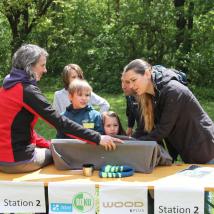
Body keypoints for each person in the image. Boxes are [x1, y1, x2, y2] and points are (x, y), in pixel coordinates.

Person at [0, 44, 122, 174]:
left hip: (4, 160)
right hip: (17, 161)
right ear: (30, 66)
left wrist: (47, 143)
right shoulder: (26, 90)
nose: (45, 70)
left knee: (51, 148)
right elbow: (59, 122)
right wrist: (98, 138)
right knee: (60, 154)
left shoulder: (6, 87)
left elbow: (18, 128)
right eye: (42, 65)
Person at [123, 58, 214, 213]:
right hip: (187, 148)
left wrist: (133, 144)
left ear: (147, 73)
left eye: (133, 80)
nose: (131, 86)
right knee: (196, 197)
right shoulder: (150, 95)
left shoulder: (173, 89)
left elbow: (162, 131)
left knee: (201, 195)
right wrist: (126, 142)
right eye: (128, 82)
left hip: (204, 146)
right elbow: (144, 129)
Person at [121, 73, 147, 138]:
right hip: (140, 130)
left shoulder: (147, 96)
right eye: (122, 81)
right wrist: (130, 127)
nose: (123, 86)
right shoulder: (129, 95)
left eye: (127, 82)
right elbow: (130, 110)